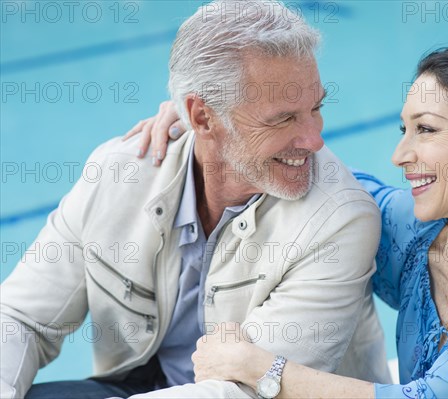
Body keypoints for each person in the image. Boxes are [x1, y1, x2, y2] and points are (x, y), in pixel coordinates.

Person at [136, 45, 448, 398]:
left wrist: (262, 369)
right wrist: (221, 122)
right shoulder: (414, 229)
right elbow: (314, 174)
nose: (400, 155)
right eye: (404, 130)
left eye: (427, 129)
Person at [0, 1, 392, 398]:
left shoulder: (340, 220)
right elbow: (19, 317)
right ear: (202, 117)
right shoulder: (117, 174)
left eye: (316, 108)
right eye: (283, 118)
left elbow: (247, 390)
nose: (314, 139)